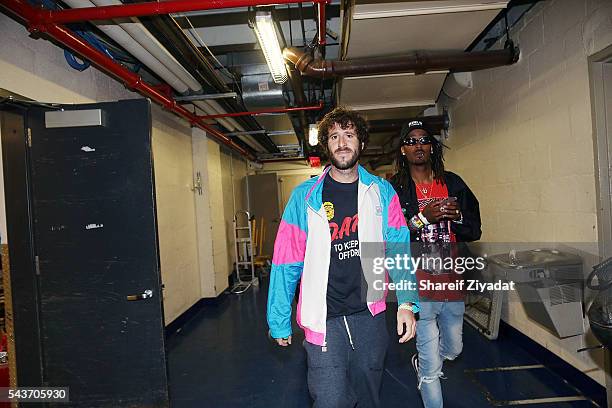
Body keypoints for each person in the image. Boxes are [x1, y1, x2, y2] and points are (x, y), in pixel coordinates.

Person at [267, 107, 419, 408]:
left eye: (349, 135)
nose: (342, 142)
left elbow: (397, 248)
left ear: (361, 142)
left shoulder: (381, 191)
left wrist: (405, 302)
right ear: (327, 145)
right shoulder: (304, 197)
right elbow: (286, 261)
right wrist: (279, 318)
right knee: (329, 398)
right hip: (323, 316)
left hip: (369, 314)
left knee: (369, 394)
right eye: (334, 136)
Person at [390, 120, 481, 408]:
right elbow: (392, 234)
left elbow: (475, 229)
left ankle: (427, 361)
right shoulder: (395, 188)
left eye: (424, 140)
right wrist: (422, 217)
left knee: (454, 348)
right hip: (418, 286)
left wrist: (457, 218)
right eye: (412, 141)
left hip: (451, 282)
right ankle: (427, 369)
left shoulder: (453, 183)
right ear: (403, 149)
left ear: (432, 147)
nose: (419, 146)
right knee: (431, 369)